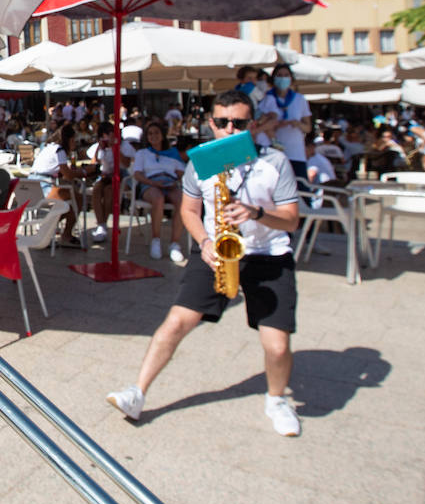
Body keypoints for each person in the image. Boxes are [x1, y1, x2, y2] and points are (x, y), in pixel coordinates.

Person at [106, 90, 302, 437]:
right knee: (177, 321)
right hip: (217, 249)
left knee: (277, 344)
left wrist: (257, 213)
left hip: (268, 254)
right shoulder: (202, 162)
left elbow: (291, 220)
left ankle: (276, 400)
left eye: (238, 123)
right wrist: (204, 242)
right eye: (222, 122)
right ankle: (137, 392)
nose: (229, 129)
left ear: (252, 124)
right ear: (211, 123)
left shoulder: (274, 162)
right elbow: (189, 211)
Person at [130, 119, 187, 263]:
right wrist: (153, 183)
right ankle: (156, 240)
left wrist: (174, 182)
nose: (153, 136)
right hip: (150, 184)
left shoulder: (172, 153)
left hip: (170, 183)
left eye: (156, 133)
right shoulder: (142, 153)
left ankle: (174, 244)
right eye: (150, 134)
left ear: (162, 135)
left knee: (183, 202)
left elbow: (182, 173)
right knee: (158, 199)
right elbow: (137, 174)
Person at [29, 124, 82, 248]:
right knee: (77, 199)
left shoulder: (48, 147)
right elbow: (68, 175)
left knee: (68, 202)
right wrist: (85, 172)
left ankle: (45, 229)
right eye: (74, 139)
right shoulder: (60, 150)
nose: (75, 143)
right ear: (69, 139)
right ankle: (66, 235)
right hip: (44, 186)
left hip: (31, 187)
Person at [255, 64, 312, 179]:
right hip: (273, 151)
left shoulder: (299, 99)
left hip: (296, 153)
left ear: (291, 78)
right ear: (274, 78)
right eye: (279, 75)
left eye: (286, 75)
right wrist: (275, 125)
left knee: (301, 190)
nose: (283, 78)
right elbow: (260, 121)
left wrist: (297, 123)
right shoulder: (267, 98)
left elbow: (308, 127)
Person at [86, 121, 119, 243]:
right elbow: (95, 162)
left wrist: (115, 147)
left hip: (117, 177)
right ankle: (101, 224)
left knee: (109, 191)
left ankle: (103, 224)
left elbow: (126, 164)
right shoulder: (100, 147)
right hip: (104, 176)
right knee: (97, 190)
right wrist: (100, 147)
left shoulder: (121, 146)